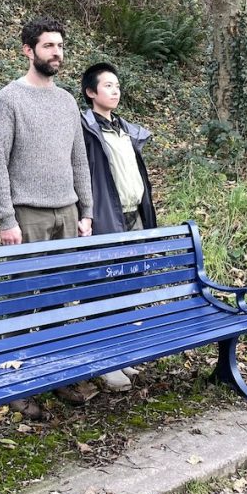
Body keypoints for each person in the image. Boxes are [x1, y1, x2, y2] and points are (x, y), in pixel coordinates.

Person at [0, 15, 96, 417]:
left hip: (67, 212)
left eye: (61, 46)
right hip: (27, 215)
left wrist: (86, 212)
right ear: (28, 51)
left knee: (61, 296)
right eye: (49, 46)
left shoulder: (67, 101)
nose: (57, 53)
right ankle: (17, 380)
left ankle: (56, 375)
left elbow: (80, 161)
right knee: (21, 299)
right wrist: (6, 219)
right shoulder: (9, 99)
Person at [80, 62, 157, 391]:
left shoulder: (126, 130)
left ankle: (121, 353)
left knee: (131, 286)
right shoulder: (85, 131)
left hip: (134, 216)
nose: (115, 91)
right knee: (104, 289)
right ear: (91, 92)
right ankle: (103, 359)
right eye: (108, 85)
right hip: (107, 217)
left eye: (117, 85)